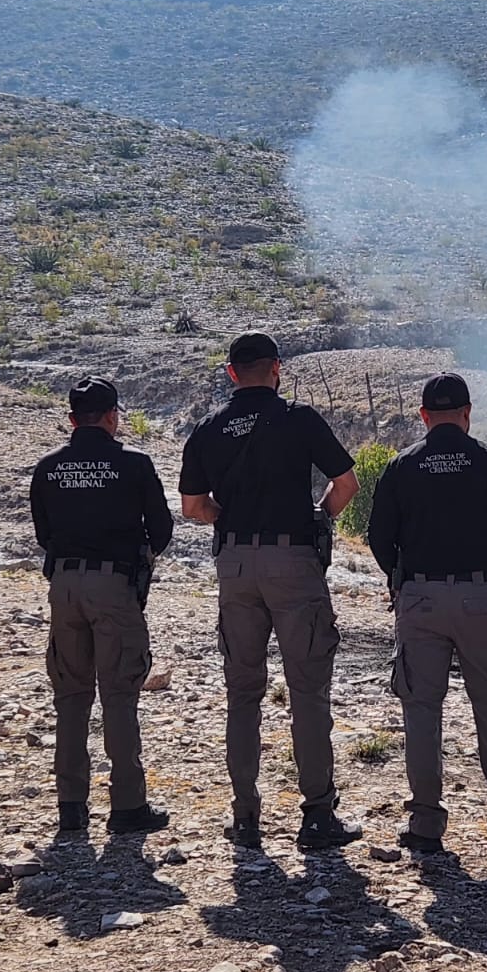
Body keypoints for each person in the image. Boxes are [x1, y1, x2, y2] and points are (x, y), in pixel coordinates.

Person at [179, 331, 362, 851]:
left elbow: (193, 506)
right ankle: (317, 815)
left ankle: (245, 817)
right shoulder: (297, 419)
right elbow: (346, 482)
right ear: (276, 369)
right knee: (307, 690)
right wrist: (318, 518)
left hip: (235, 563)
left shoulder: (209, 428)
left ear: (232, 373)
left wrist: (227, 519)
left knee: (243, 692)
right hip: (293, 560)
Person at [366, 372, 487, 855]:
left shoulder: (403, 465)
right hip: (481, 599)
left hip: (420, 599)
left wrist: (400, 579)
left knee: (421, 710)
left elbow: (378, 536)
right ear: (467, 414)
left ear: (424, 417)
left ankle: (425, 823)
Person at [30, 376, 174, 835]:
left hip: (65, 584)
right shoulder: (133, 464)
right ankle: (127, 807)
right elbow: (162, 529)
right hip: (115, 585)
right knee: (119, 694)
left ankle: (71, 806)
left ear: (72, 420)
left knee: (70, 695)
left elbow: (43, 533)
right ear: (113, 416)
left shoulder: (48, 467)